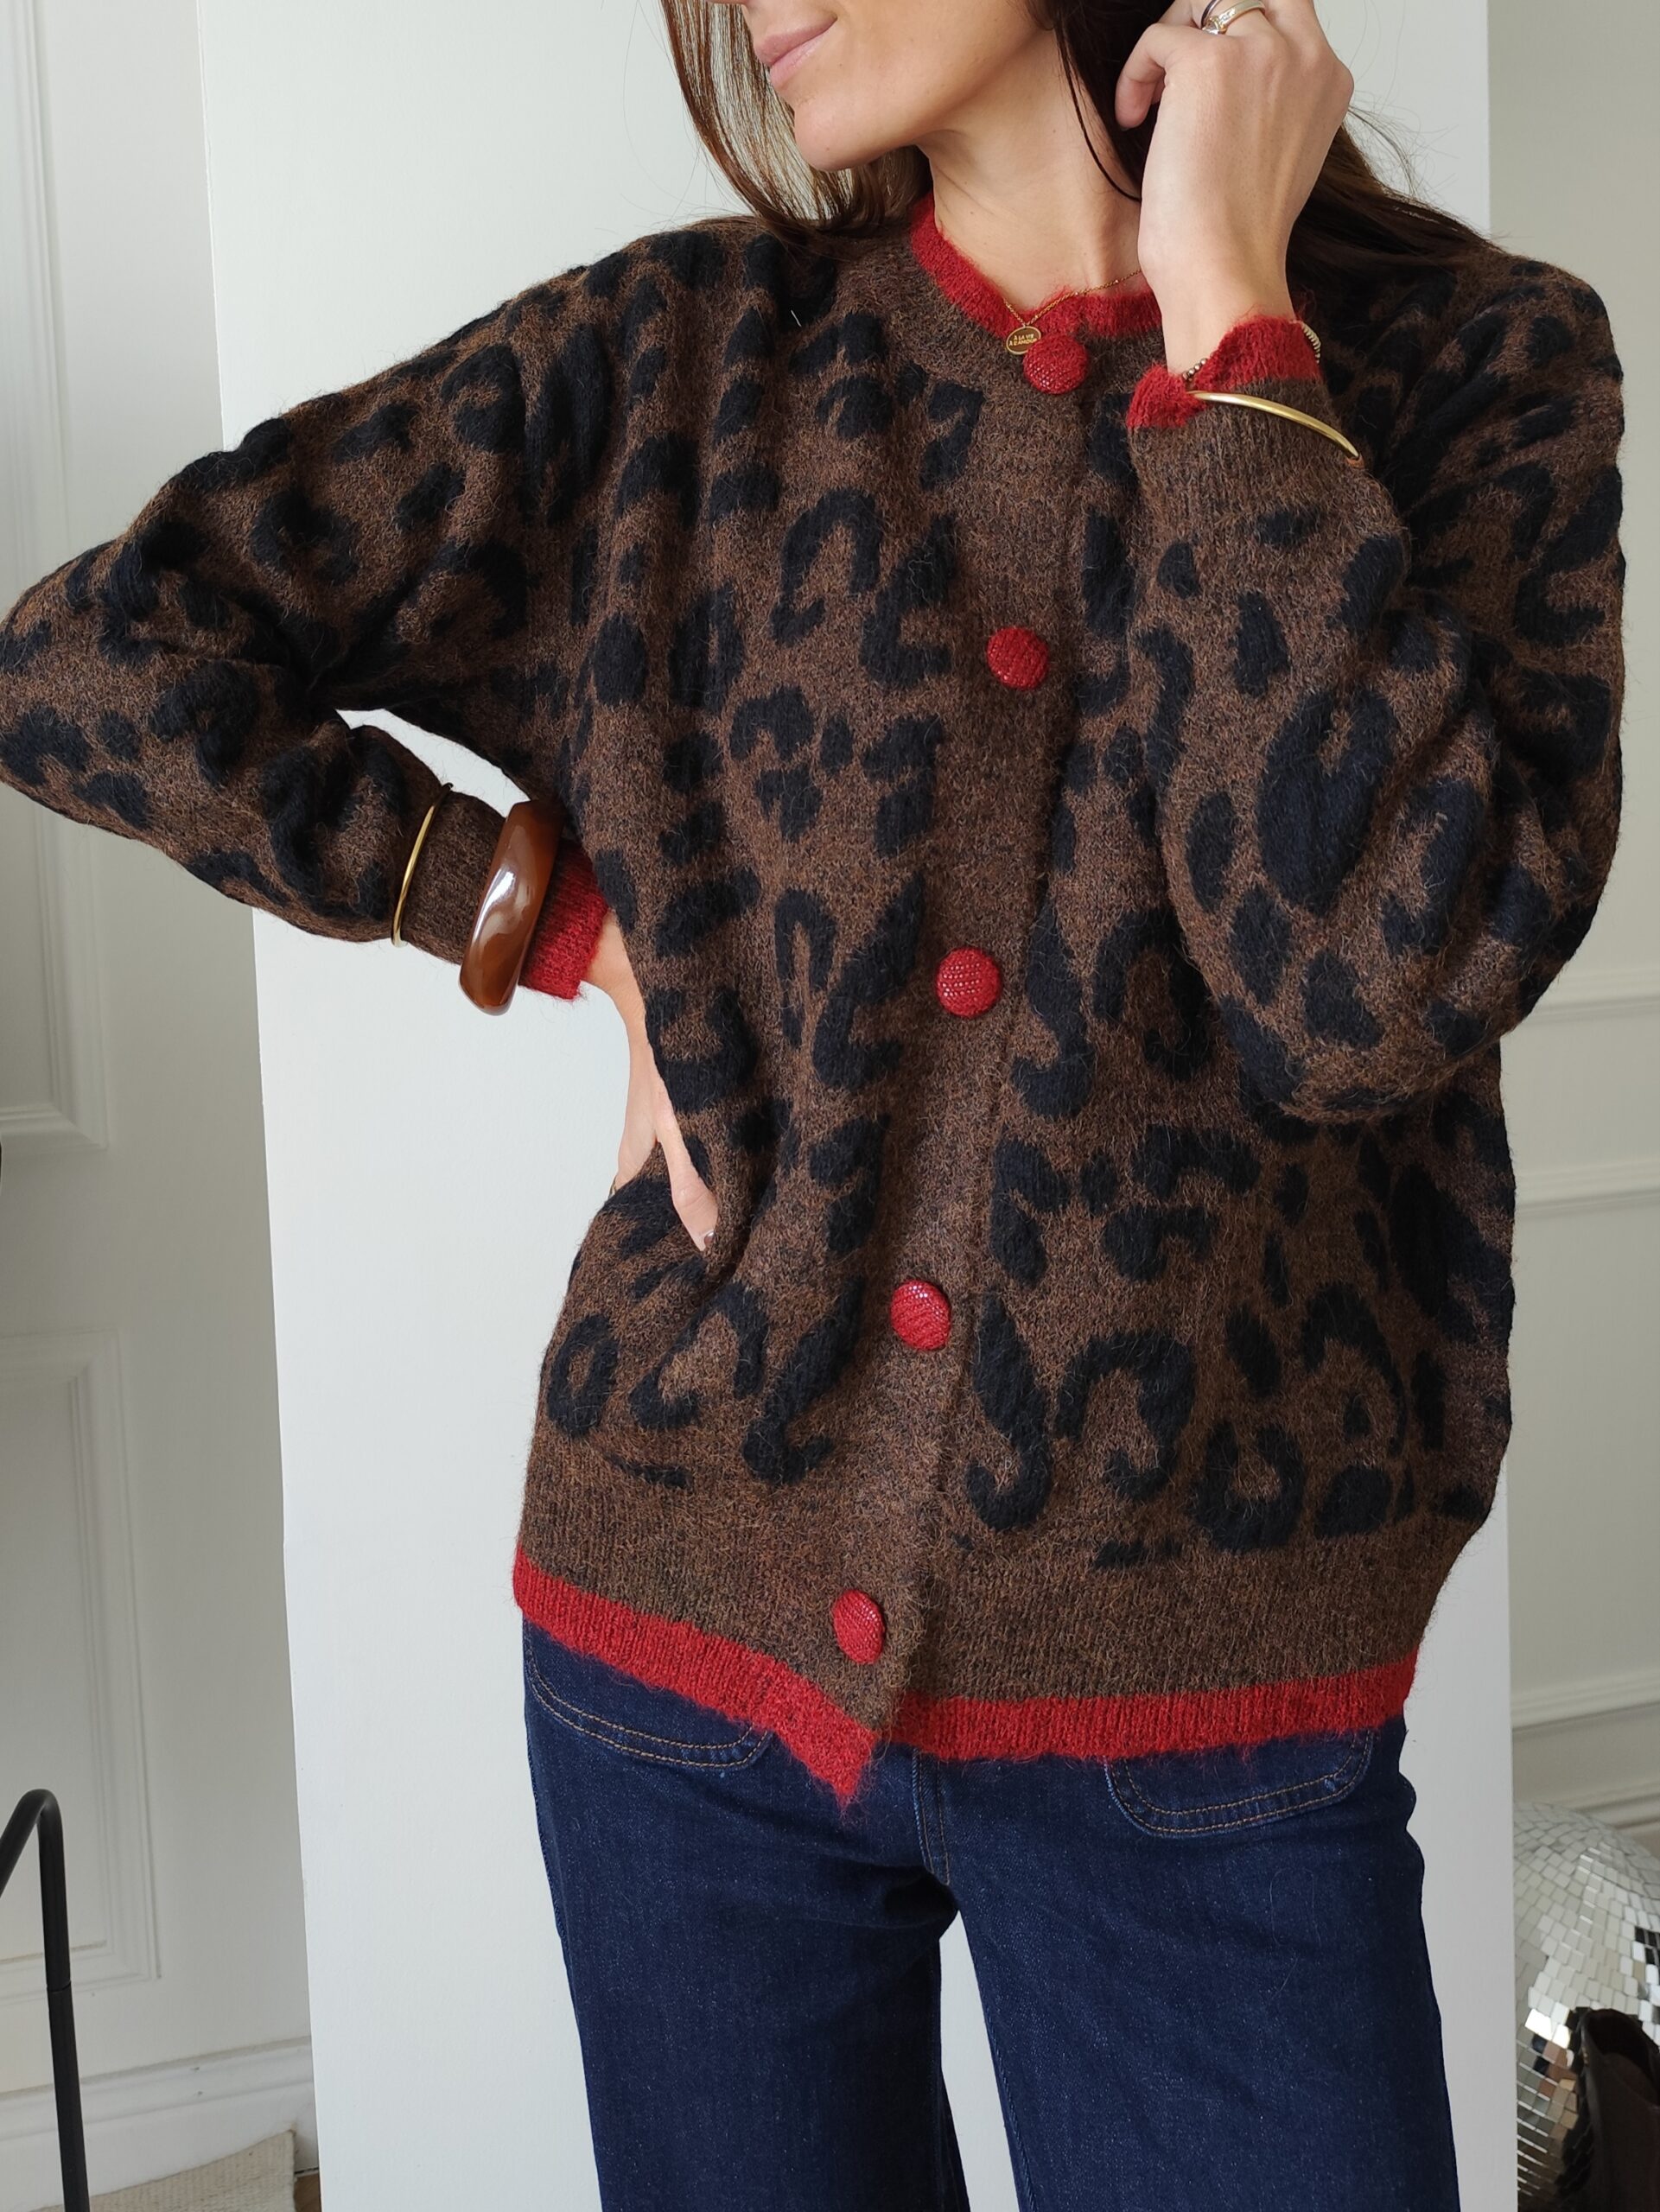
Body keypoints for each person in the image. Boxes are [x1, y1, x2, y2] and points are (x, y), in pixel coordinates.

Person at [0, 2, 1626, 2205]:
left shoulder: (1473, 370)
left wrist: (1232, 320)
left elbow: (1365, 984)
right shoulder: (676, 361)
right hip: (680, 1669)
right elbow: (92, 656)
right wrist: (542, 917)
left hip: (1210, 1729)